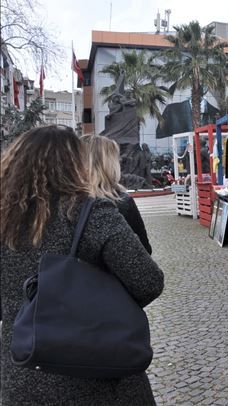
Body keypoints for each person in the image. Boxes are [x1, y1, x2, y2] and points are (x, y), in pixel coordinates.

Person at [1, 125, 164, 405]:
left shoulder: (4, 220)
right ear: (72, 164)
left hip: (23, 372)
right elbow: (148, 281)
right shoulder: (88, 211)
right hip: (93, 370)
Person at [81, 134, 152, 254]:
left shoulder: (59, 201)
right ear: (109, 164)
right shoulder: (121, 201)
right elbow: (144, 251)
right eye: (116, 157)